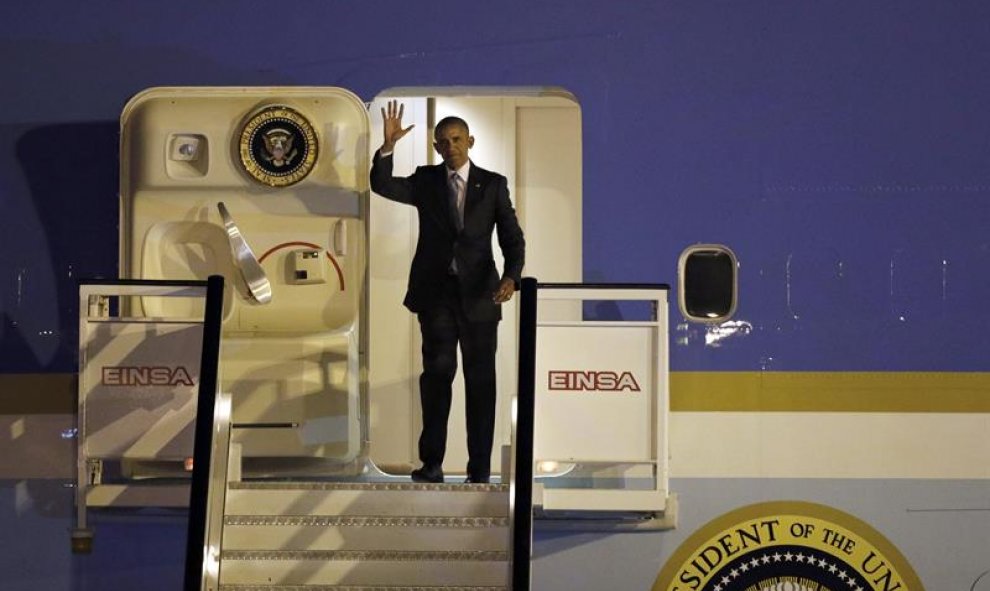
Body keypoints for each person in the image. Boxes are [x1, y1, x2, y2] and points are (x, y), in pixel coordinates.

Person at [370, 100, 525, 484]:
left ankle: (479, 471)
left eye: (457, 138)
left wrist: (512, 276)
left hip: (480, 297)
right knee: (436, 378)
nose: (451, 145)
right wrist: (387, 148)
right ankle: (432, 464)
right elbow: (382, 184)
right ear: (437, 147)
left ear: (469, 141)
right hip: (436, 295)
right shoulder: (424, 181)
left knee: (481, 383)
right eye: (443, 141)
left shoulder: (492, 184)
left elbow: (512, 236)